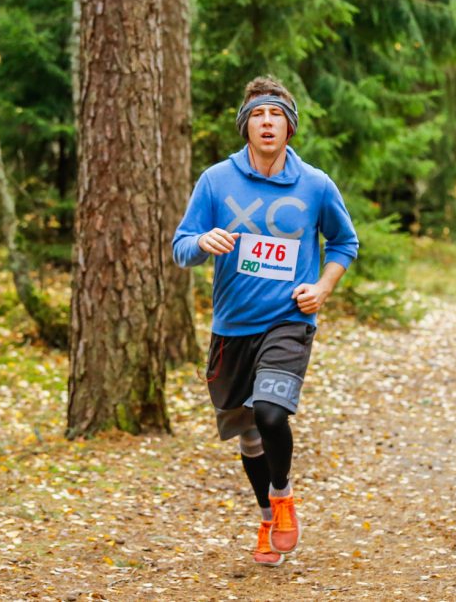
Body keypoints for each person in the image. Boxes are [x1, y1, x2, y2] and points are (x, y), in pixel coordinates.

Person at [172, 76, 359, 566]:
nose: (267, 122)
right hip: (232, 327)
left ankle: (283, 495)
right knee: (249, 434)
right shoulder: (216, 181)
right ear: (246, 127)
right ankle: (265, 516)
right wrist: (202, 243)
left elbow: (344, 243)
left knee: (272, 413)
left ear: (290, 127)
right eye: (258, 115)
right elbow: (180, 246)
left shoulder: (316, 185)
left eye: (276, 114)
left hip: (288, 321)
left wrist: (321, 288)